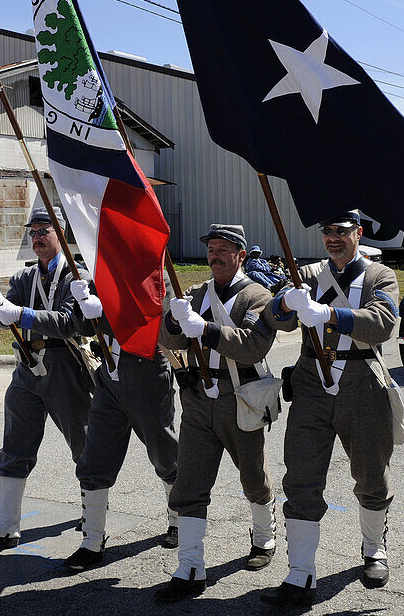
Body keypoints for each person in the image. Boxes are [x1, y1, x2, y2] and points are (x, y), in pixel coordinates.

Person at [260, 211, 401, 607]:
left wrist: (329, 315)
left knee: (372, 472)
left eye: (341, 231)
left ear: (358, 233)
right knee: (301, 476)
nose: (333, 239)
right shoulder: (306, 275)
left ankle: (374, 550)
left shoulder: (379, 276)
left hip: (361, 384)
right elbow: (273, 319)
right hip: (310, 382)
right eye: (327, 232)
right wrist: (285, 303)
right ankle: (300, 574)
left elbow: (382, 324)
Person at [0, 207, 93, 548]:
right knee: (16, 439)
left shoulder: (78, 277)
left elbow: (68, 322)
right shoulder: (23, 278)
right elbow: (4, 320)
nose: (37, 238)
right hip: (27, 366)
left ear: (61, 234)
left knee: (83, 441)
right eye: (33, 233)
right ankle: (6, 522)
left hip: (64, 365)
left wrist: (20, 313)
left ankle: (93, 513)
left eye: (44, 231)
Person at [154, 223, 279, 603]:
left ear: (241, 254)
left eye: (224, 249)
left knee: (253, 477)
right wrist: (174, 321)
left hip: (239, 396)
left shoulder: (257, 296)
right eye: (211, 249)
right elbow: (168, 340)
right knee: (190, 484)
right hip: (196, 399)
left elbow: (253, 346)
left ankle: (265, 534)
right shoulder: (195, 294)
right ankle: (190, 569)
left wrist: (205, 329)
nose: (215, 255)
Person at [61, 278, 180, 571]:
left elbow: (156, 326)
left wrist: (104, 313)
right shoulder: (101, 276)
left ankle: (178, 520)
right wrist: (82, 307)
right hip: (109, 378)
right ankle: (92, 541)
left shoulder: (157, 278)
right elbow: (85, 328)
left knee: (164, 453)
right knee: (94, 459)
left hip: (147, 373)